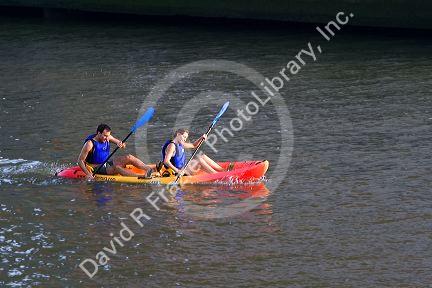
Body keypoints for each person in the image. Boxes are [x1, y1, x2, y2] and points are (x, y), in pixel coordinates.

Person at [78, 124, 153, 181]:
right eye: (105, 136)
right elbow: (80, 161)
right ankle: (143, 176)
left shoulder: (107, 137)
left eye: (108, 135)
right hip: (95, 168)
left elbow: (121, 144)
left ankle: (148, 169)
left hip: (106, 163)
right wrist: (88, 174)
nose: (107, 138)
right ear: (98, 133)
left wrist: (121, 144)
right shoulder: (89, 144)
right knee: (117, 168)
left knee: (129, 157)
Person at [160, 128, 226, 177]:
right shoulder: (172, 146)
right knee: (198, 160)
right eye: (184, 137)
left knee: (202, 156)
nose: (185, 139)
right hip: (176, 173)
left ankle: (222, 170)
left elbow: (193, 145)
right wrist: (177, 171)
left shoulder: (181, 144)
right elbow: (166, 161)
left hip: (183, 168)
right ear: (178, 134)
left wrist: (201, 138)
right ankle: (216, 175)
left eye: (186, 138)